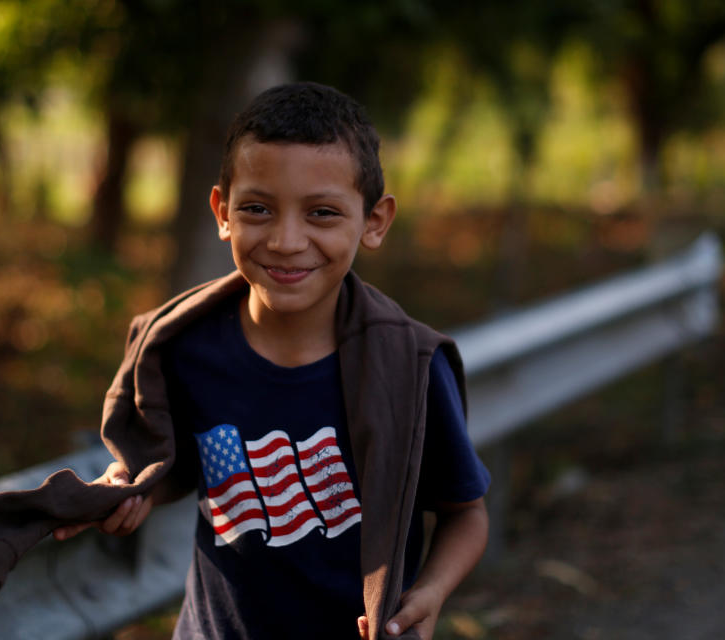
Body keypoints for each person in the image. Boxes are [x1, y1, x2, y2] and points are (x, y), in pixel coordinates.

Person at [52, 82, 490, 640]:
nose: (286, 241)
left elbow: (465, 512)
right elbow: (182, 465)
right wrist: (138, 489)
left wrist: (427, 593)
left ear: (375, 221)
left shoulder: (410, 368)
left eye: (323, 214)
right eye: (258, 208)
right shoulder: (187, 349)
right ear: (222, 210)